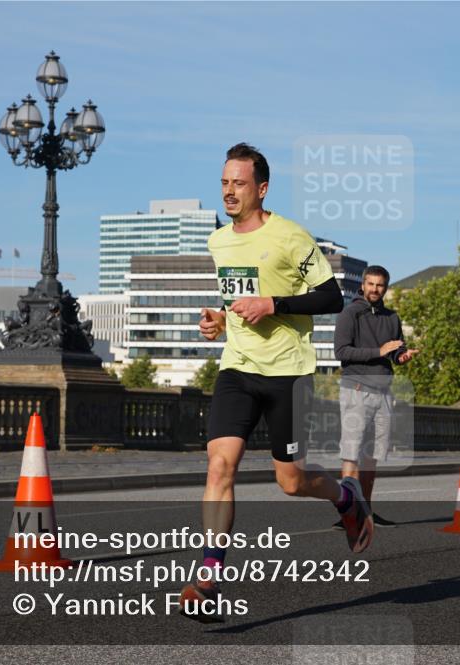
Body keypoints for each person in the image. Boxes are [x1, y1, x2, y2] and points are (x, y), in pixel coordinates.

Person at [180, 143, 373, 621]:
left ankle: (347, 497)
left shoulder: (290, 236)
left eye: (238, 183)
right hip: (237, 368)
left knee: (291, 481)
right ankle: (209, 577)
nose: (229, 191)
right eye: (224, 182)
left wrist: (275, 304)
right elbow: (235, 303)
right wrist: (218, 322)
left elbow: (331, 297)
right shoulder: (219, 241)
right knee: (219, 466)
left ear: (261, 188)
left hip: (288, 374)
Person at [332, 265, 418, 529]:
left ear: (385, 288)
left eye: (379, 285)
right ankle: (348, 513)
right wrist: (379, 351)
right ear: (363, 284)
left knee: (372, 457)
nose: (374, 289)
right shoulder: (350, 313)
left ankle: (365, 510)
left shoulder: (392, 317)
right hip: (356, 389)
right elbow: (342, 352)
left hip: (383, 393)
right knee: (352, 454)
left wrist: (400, 357)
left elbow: (394, 352)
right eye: (370, 284)